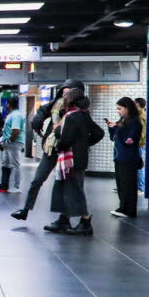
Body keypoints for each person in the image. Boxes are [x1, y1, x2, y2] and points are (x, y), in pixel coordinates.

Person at [11, 79, 85, 221]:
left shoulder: (81, 111)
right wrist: (37, 121)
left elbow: (93, 132)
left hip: (70, 151)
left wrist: (82, 144)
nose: (65, 96)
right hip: (51, 147)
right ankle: (25, 209)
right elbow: (42, 111)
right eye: (63, 92)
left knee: (71, 184)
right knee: (37, 179)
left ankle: (67, 219)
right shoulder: (56, 104)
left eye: (68, 92)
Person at [45, 91, 105, 235]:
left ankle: (85, 222)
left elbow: (65, 139)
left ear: (70, 100)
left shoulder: (71, 117)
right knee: (67, 189)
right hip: (78, 158)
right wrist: (83, 145)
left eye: (65, 98)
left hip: (71, 160)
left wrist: (58, 132)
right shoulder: (83, 115)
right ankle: (64, 219)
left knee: (74, 190)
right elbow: (99, 133)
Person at [107, 97, 143, 219]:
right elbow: (114, 137)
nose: (118, 111)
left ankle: (129, 210)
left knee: (128, 185)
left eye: (120, 109)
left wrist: (117, 128)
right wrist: (112, 128)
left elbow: (128, 141)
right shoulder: (123, 121)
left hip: (129, 158)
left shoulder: (135, 122)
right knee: (121, 185)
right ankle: (123, 207)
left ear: (127, 108)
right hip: (119, 157)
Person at [0, 100, 26, 193]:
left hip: (14, 143)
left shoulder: (15, 115)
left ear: (9, 104)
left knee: (15, 165)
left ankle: (17, 186)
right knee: (5, 163)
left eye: (7, 104)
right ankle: (4, 185)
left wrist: (10, 140)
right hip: (9, 143)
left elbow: (16, 130)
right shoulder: (12, 114)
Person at [135, 97, 148, 193]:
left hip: (139, 144)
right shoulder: (139, 115)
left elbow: (142, 132)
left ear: (139, 105)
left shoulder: (141, 116)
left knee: (139, 166)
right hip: (139, 144)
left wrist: (136, 142)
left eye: (135, 104)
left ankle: (140, 187)